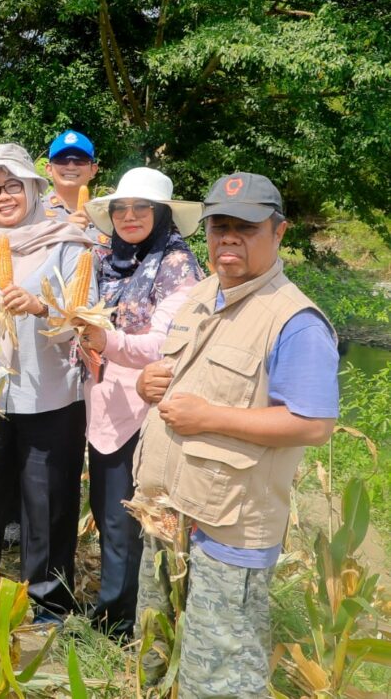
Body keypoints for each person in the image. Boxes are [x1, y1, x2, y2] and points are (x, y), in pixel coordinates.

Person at [134, 172, 338, 697]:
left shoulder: (295, 322)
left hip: (229, 532)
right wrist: (147, 383)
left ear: (279, 232)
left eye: (245, 228)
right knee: (155, 656)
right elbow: (181, 378)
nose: (228, 238)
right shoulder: (200, 295)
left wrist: (210, 418)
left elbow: (313, 424)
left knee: (220, 678)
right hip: (167, 514)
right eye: (218, 227)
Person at [0, 143, 93, 620]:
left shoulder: (68, 244)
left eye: (11, 186)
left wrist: (42, 307)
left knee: (47, 501)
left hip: (51, 395)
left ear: (32, 188)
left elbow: (85, 323)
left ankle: (49, 596)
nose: (2, 197)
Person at [73, 167, 203, 640]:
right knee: (109, 511)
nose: (128, 217)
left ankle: (121, 620)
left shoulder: (177, 266)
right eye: (120, 209)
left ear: (162, 214)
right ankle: (119, 606)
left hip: (146, 410)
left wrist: (104, 339)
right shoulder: (106, 256)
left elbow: (165, 342)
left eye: (140, 209)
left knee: (128, 516)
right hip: (103, 403)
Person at [44, 129, 108, 248]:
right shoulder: (34, 212)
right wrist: (63, 233)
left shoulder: (107, 215)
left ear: (93, 170)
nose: (71, 166)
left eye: (80, 160)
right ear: (49, 169)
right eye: (62, 159)